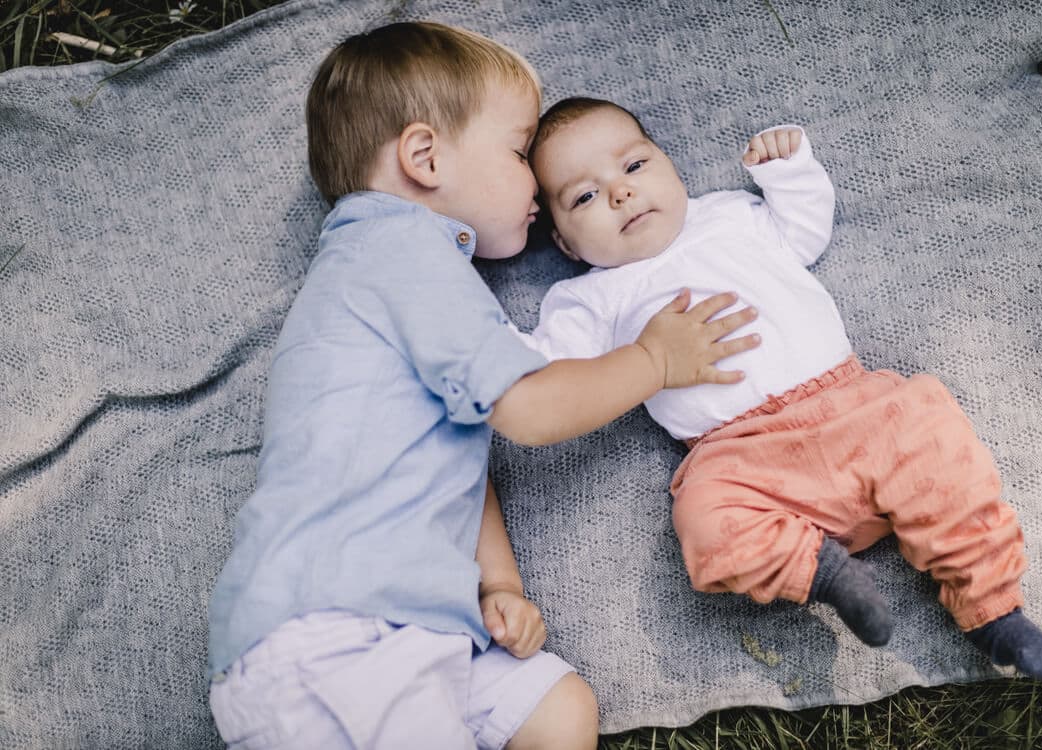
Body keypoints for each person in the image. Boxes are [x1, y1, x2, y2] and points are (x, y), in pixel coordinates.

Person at [205, 24, 762, 750]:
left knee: (557, 709)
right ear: (424, 157)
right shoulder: (396, 251)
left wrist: (498, 585)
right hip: (331, 634)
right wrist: (652, 362)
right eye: (516, 150)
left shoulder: (408, 273)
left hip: (418, 624)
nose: (535, 179)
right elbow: (527, 411)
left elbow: (460, 459)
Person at [526, 96, 1042, 681]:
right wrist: (486, 344)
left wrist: (788, 171)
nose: (619, 194)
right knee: (703, 519)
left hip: (852, 407)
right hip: (738, 456)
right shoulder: (588, 299)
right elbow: (544, 369)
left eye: (632, 167)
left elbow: (805, 233)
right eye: (583, 197)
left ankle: (993, 609)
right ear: (567, 246)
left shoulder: (729, 215)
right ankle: (826, 575)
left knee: (927, 431)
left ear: (669, 165)